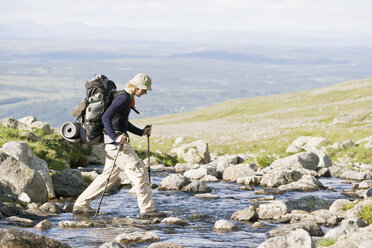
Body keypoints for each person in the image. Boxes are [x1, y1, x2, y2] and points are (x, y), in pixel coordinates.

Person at [72, 73, 165, 218]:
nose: (145, 92)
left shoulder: (124, 97)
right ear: (135, 87)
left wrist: (141, 132)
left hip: (112, 144)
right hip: (117, 145)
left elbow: (122, 122)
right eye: (144, 89)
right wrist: (116, 137)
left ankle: (80, 204)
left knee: (107, 177)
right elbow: (106, 117)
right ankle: (148, 210)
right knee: (140, 173)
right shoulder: (123, 98)